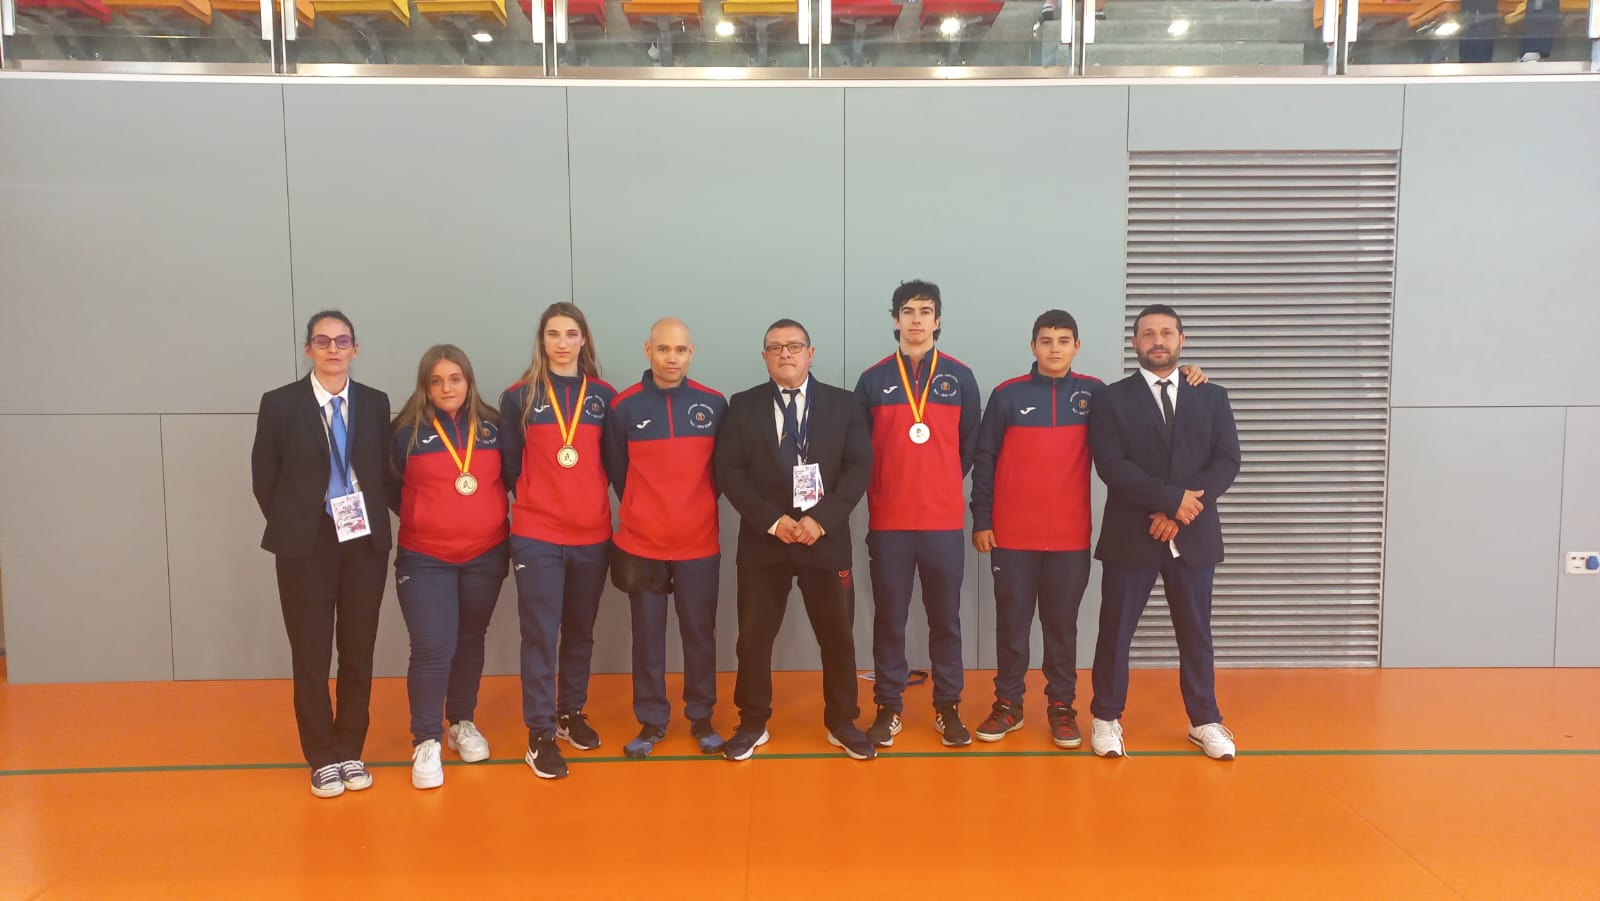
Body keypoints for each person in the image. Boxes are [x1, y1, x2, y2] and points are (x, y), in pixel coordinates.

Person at [970, 310, 1205, 749]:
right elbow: (984, 460)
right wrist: (981, 519)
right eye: (1045, 340)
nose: (1054, 348)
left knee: (1062, 627)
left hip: (1070, 536)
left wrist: (1188, 374)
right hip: (1011, 536)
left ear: (1077, 346)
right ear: (1033, 346)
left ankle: (1062, 707)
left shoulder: (1098, 395)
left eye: (1063, 340)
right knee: (1012, 624)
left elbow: (1147, 396)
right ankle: (1008, 704)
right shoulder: (1006, 395)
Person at [713, 319, 876, 761]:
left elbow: (859, 468)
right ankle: (752, 722)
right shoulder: (743, 405)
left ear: (811, 353)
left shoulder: (844, 404)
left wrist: (820, 520)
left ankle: (842, 722)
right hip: (765, 542)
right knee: (753, 639)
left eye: (794, 346)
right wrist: (773, 521)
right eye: (775, 347)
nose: (785, 353)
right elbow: (729, 470)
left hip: (824, 539)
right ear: (764, 356)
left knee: (837, 636)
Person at [1087, 303, 1240, 761]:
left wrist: (1181, 512)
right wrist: (1170, 501)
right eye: (1148, 333)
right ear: (1135, 342)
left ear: (1181, 340)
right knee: (1115, 632)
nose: (1158, 340)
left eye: (1167, 332)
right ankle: (1105, 717)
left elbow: (1227, 460)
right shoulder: (1111, 398)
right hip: (1131, 533)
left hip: (1193, 533)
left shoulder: (1211, 396)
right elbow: (1111, 465)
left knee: (1196, 633)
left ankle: (1204, 720)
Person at [250, 310, 393, 798]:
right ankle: (321, 756)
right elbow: (264, 477)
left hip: (363, 541)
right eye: (323, 340)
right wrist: (300, 522)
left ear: (356, 348)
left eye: (342, 340)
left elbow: (383, 470)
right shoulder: (280, 403)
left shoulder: (374, 402)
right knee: (311, 654)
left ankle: (349, 748)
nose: (333, 349)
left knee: (357, 650)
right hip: (305, 544)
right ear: (308, 348)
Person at [853, 280, 981, 749]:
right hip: (889, 524)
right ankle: (888, 707)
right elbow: (858, 451)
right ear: (895, 319)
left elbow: (970, 445)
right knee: (890, 619)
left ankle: (948, 707)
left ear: (938, 319)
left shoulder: (960, 377)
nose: (917, 319)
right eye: (908, 311)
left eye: (926, 311)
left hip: (942, 523)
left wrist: (939, 480)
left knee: (946, 619)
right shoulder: (872, 380)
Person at [500, 302, 618, 780]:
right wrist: (542, 502)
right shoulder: (519, 396)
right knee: (540, 634)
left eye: (571, 333)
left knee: (580, 629)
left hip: (592, 535)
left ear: (584, 339)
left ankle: (570, 713)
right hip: (538, 536)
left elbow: (614, 464)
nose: (563, 342)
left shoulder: (605, 397)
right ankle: (540, 733)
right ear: (542, 340)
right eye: (554, 334)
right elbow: (510, 467)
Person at [603, 318, 728, 758]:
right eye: (662, 349)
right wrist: (645, 510)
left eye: (679, 349)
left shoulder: (714, 404)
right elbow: (618, 473)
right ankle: (652, 721)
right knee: (647, 638)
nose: (671, 357)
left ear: (691, 353)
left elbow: (720, 474)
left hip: (699, 545)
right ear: (648, 350)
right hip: (642, 546)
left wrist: (692, 508)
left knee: (699, 634)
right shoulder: (623, 407)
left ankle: (701, 717)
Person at [389, 344, 509, 790]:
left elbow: (509, 480)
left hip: (485, 556)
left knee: (469, 638)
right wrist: (430, 518)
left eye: (454, 379)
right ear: (425, 385)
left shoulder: (494, 428)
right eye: (436, 381)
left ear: (468, 381)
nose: (446, 388)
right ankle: (426, 740)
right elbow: (389, 488)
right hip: (425, 558)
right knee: (432, 647)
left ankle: (461, 722)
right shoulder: (404, 433)